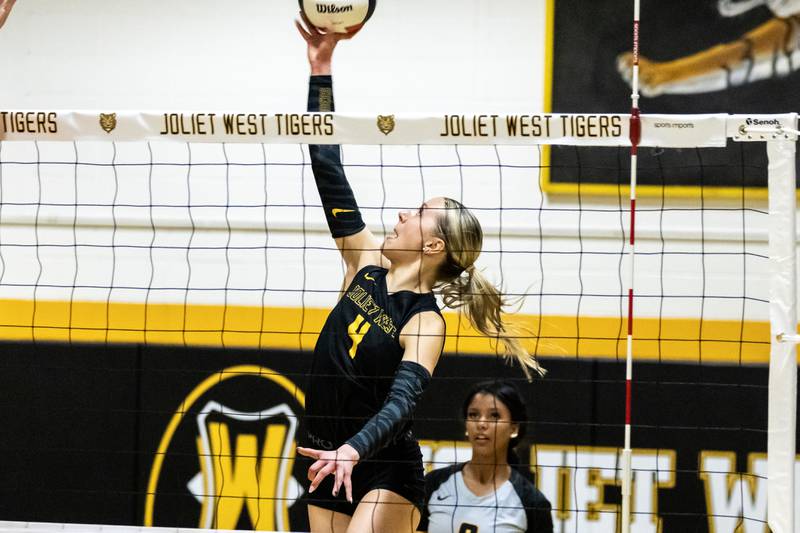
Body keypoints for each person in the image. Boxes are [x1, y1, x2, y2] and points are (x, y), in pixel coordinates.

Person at [294, 13, 545, 533]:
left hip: (379, 464)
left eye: (417, 213)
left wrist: (353, 451)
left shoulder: (426, 322)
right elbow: (326, 161)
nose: (402, 214)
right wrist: (321, 68)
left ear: (432, 245)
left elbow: (400, 405)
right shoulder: (362, 261)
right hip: (323, 453)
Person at [418, 380, 553, 533]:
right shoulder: (434, 483)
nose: (481, 423)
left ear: (514, 428)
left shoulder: (532, 502)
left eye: (494, 416)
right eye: (473, 415)